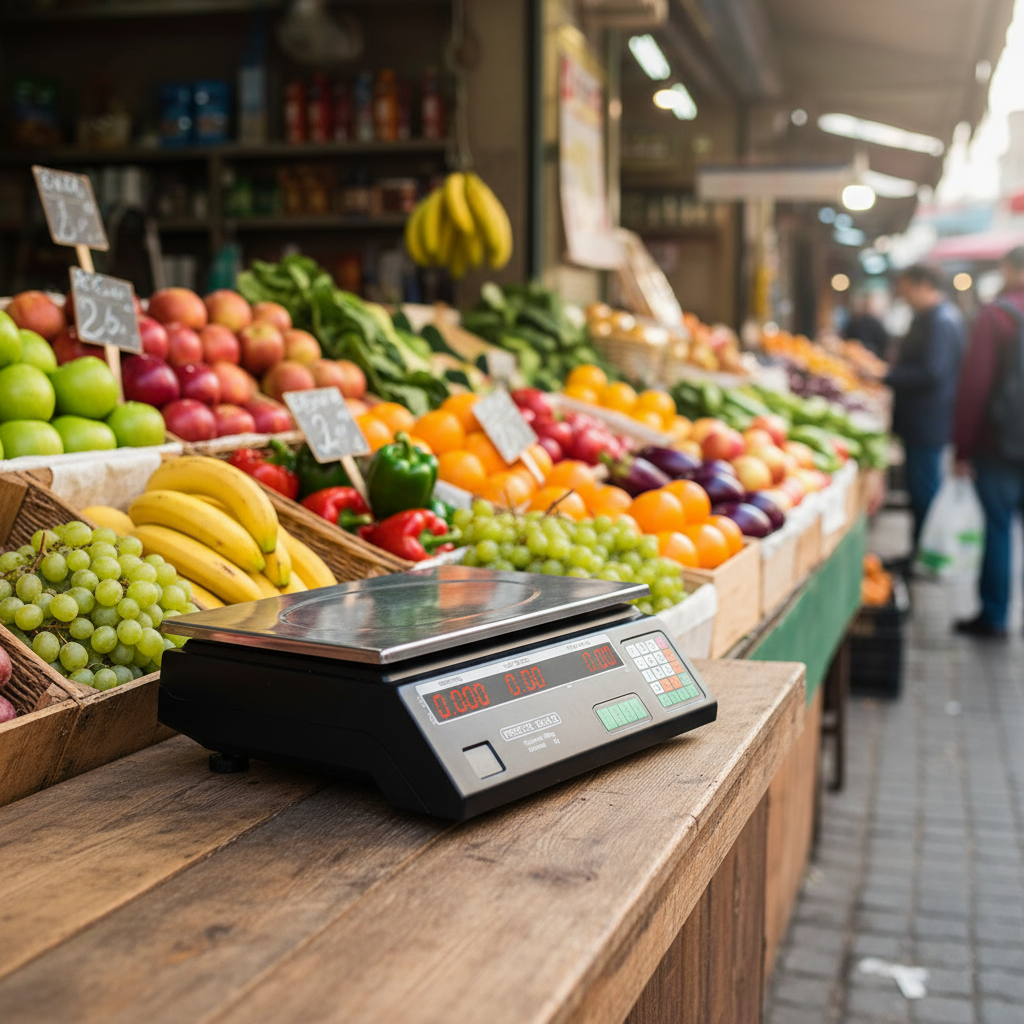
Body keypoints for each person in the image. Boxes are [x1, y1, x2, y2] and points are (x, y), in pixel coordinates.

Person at [952, 246, 1024, 638]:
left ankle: (994, 616)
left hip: (999, 444)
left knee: (998, 528)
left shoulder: (997, 315)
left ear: (1010, 269)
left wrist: (962, 448)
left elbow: (975, 387)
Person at [887, 265, 965, 559]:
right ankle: (921, 550)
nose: (904, 298)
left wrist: (888, 376)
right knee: (921, 490)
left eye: (907, 291)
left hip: (928, 422)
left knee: (925, 491)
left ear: (924, 286)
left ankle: (926, 553)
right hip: (923, 421)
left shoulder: (941, 321)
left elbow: (933, 372)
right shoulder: (931, 319)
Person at [844, 291, 890, 360]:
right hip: (853, 357)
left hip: (872, 358)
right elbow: (848, 339)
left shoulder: (877, 325)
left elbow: (883, 344)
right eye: (866, 304)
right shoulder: (856, 322)